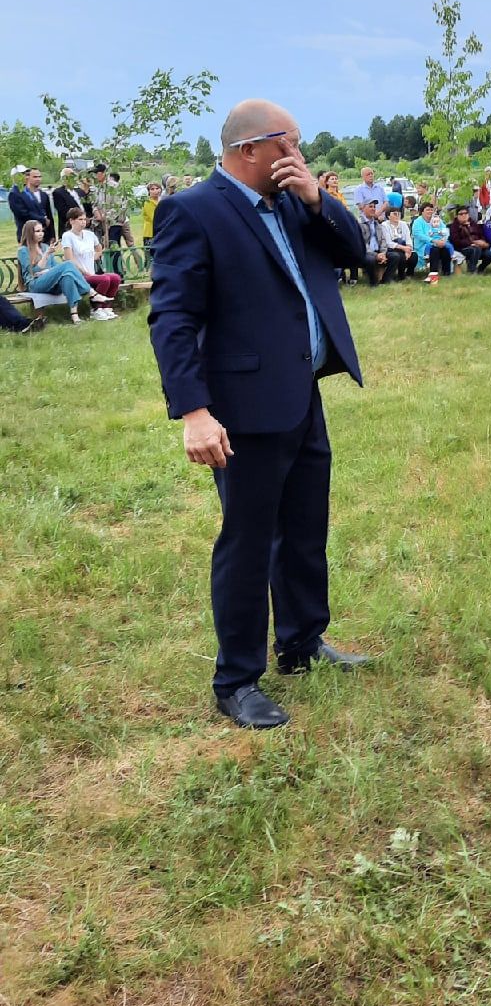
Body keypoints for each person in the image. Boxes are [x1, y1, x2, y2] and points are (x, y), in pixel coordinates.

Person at [147, 99, 370, 730]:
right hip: (243, 410)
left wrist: (320, 201)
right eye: (290, 145)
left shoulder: (295, 202)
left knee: (304, 529)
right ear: (251, 149)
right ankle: (237, 679)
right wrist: (193, 410)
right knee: (247, 543)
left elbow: (357, 253)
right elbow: (173, 317)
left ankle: (302, 643)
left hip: (301, 394)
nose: (299, 156)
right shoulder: (193, 211)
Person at [17, 222, 98, 323]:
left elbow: (55, 267)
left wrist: (48, 271)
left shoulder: (45, 247)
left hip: (50, 284)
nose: (41, 233)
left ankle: (75, 316)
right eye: (37, 231)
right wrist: (46, 255)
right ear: (29, 233)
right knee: (68, 264)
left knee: (67, 276)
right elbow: (33, 272)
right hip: (35, 284)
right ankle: (90, 292)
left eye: (42, 231)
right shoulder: (23, 250)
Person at [60, 207, 122, 308]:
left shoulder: (90, 234)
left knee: (115, 278)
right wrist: (83, 271)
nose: (83, 222)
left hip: (91, 273)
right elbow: (69, 259)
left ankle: (107, 308)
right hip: (79, 276)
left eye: (85, 219)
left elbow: (99, 249)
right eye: (80, 219)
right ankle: (96, 309)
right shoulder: (67, 236)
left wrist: (92, 257)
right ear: (71, 221)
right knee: (104, 279)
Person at [10, 168, 54, 245]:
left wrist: (52, 234)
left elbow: (48, 215)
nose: (25, 176)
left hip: (44, 235)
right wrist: (42, 220)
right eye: (23, 174)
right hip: (28, 235)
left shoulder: (34, 193)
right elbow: (22, 214)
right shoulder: (15, 193)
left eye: (26, 174)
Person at [412, 202, 453, 282]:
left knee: (445, 249)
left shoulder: (437, 220)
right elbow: (419, 235)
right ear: (422, 211)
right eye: (427, 210)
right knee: (434, 249)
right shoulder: (417, 222)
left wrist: (443, 240)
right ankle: (433, 274)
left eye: (431, 210)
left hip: (438, 244)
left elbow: (445, 230)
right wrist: (433, 241)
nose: (430, 211)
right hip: (423, 247)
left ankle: (446, 273)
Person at [448, 205, 491, 274]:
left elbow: (481, 235)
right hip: (463, 248)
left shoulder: (473, 223)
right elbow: (455, 241)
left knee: (490, 254)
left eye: (466, 213)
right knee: (475, 249)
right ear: (457, 216)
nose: (464, 215)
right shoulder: (454, 226)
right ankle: (471, 270)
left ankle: (480, 269)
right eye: (461, 214)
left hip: (478, 247)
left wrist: (483, 242)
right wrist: (471, 243)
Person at [53, 168, 86, 239]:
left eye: (74, 177)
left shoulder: (80, 192)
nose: (73, 179)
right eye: (70, 177)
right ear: (64, 179)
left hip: (86, 226)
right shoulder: (58, 193)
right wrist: (79, 219)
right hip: (70, 227)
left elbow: (88, 206)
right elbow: (63, 211)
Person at [142, 179, 163, 249]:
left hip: (160, 232)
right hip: (150, 233)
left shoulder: (161, 201)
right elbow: (153, 218)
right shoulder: (148, 202)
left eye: (157, 188)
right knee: (151, 257)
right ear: (149, 191)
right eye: (152, 189)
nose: (155, 191)